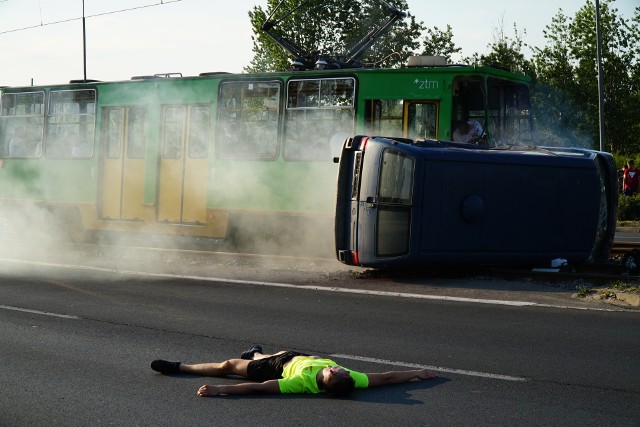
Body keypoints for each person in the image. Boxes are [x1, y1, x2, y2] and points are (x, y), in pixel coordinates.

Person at [150, 345, 437, 397]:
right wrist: (416, 374)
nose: (340, 368)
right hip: (294, 355)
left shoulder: (301, 384)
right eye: (343, 370)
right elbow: (386, 378)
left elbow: (258, 388)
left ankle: (178, 366)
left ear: (327, 380)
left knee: (228, 367)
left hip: (276, 366)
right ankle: (254, 352)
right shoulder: (353, 380)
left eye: (337, 372)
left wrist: (219, 389)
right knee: (276, 352)